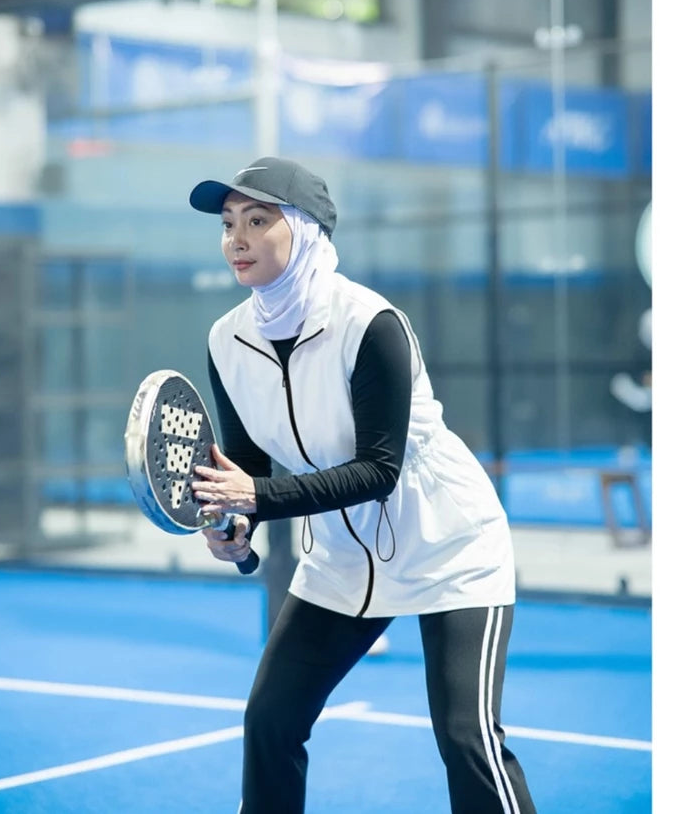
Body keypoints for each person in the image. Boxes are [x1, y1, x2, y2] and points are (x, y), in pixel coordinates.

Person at [188, 156, 537, 814]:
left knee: (468, 738)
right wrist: (236, 532)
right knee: (271, 721)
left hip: (450, 547)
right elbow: (249, 469)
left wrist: (256, 500)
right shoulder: (226, 340)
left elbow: (380, 470)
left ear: (307, 231)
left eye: (258, 220)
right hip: (341, 561)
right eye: (229, 222)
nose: (236, 237)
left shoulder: (371, 324)